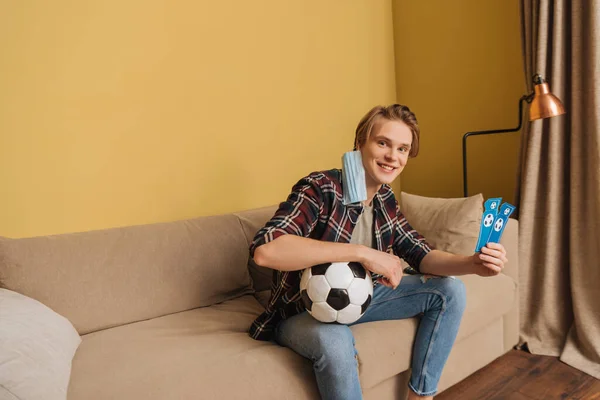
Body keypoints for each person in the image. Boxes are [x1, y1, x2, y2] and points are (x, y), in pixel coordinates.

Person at [248, 104, 508, 400]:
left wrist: (473, 263)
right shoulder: (321, 187)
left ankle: (421, 396)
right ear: (360, 143)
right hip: (302, 310)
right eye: (382, 143)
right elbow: (266, 251)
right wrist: (361, 253)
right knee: (334, 342)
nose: (392, 156)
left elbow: (422, 255)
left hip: (364, 296)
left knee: (450, 291)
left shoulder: (385, 199)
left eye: (402, 149)